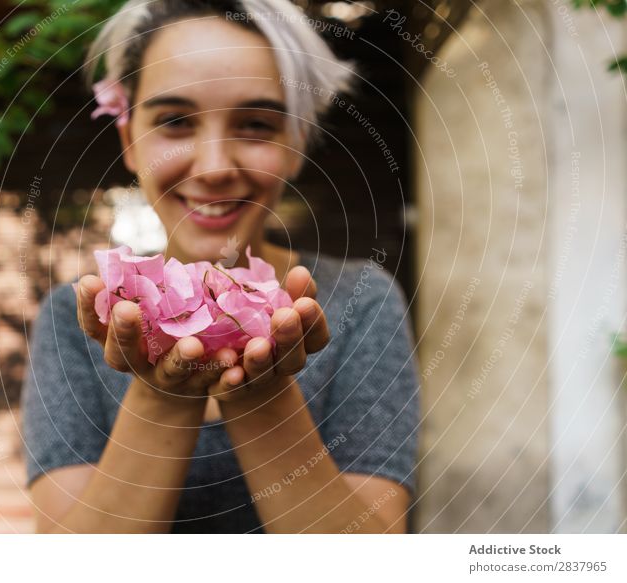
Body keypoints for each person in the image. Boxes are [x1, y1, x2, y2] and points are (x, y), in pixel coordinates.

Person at [21, 0, 420, 533]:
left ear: (296, 143)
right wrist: (162, 396)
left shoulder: (363, 304)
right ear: (130, 140)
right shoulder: (73, 322)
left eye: (255, 125)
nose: (213, 167)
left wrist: (261, 394)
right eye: (175, 122)